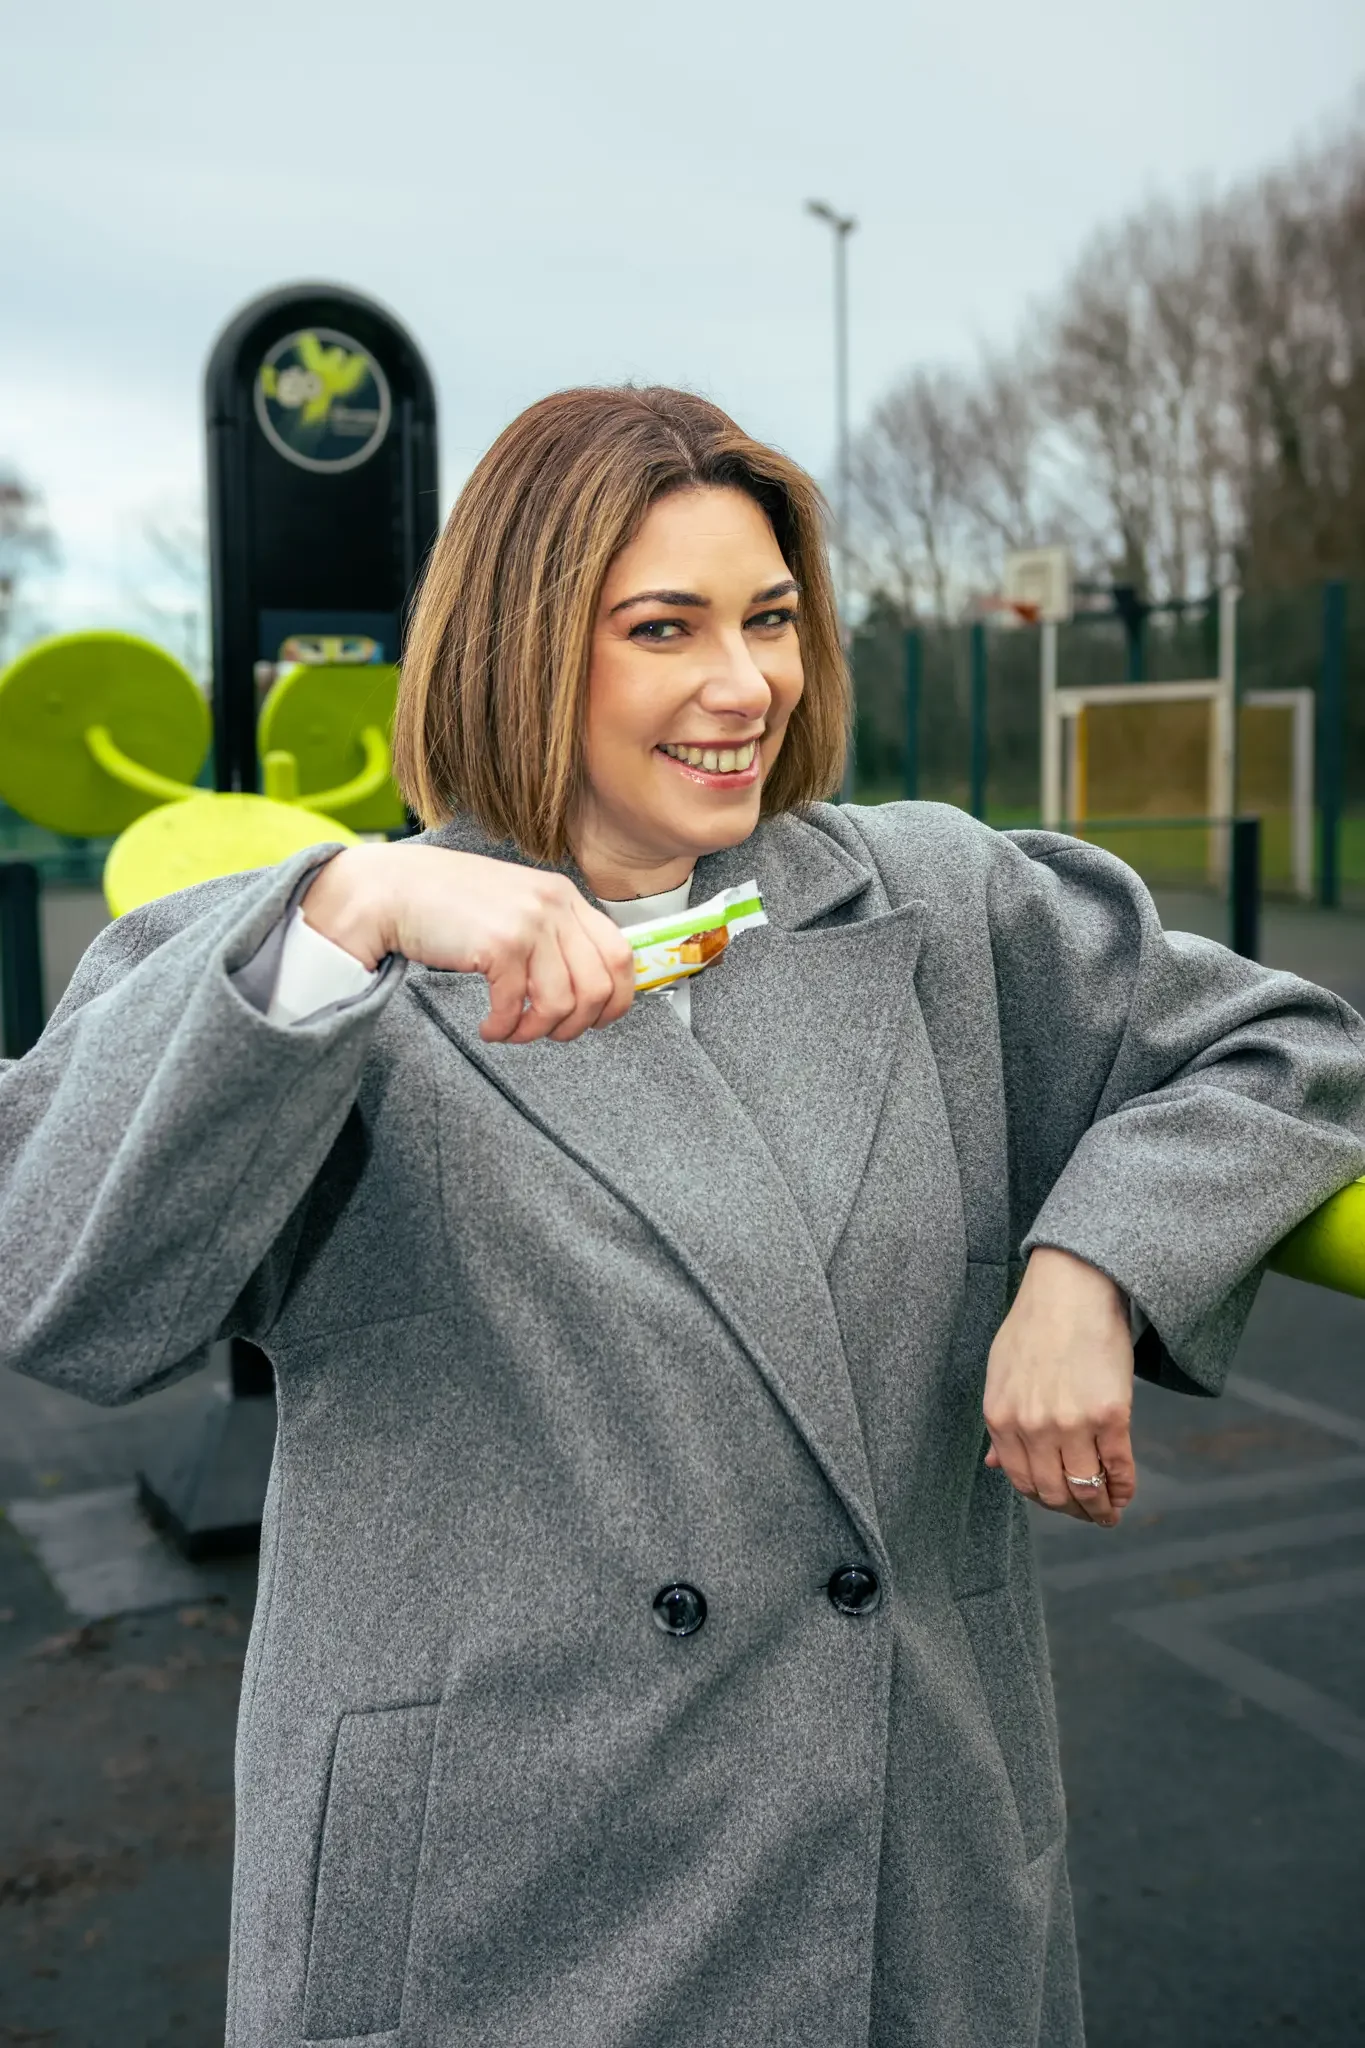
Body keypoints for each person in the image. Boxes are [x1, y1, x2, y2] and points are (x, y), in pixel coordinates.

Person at [2, 386, 1363, 2048]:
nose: (746, 686)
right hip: (495, 1906)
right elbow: (61, 1287)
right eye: (667, 628)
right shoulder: (334, 952)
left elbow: (1289, 1045)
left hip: (903, 1876)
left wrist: (1093, 1264)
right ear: (521, 645)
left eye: (771, 618)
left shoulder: (933, 900)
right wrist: (349, 906)